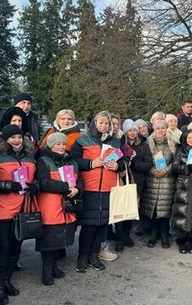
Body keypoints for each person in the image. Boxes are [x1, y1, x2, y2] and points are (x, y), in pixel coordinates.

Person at [0, 125, 36, 303]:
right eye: (12, 137)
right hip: (0, 208)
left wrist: (35, 185)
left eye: (19, 137)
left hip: (22, 207)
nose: (16, 140)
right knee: (2, 248)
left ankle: (6, 280)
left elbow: (34, 177)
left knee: (15, 247)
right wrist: (8, 186)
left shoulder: (29, 156)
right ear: (4, 139)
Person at [70, 111, 125, 272]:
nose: (104, 126)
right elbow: (73, 161)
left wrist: (118, 166)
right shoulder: (82, 140)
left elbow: (123, 161)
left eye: (107, 123)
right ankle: (83, 256)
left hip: (108, 189)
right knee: (89, 225)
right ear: (95, 123)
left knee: (102, 224)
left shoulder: (115, 142)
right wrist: (91, 163)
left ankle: (94, 255)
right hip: (90, 188)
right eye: (101, 123)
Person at [35, 132, 80, 284]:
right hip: (50, 207)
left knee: (60, 239)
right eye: (57, 144)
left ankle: (54, 267)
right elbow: (44, 183)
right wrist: (67, 187)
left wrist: (77, 189)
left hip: (66, 207)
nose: (61, 147)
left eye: (63, 144)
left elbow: (80, 180)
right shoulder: (43, 160)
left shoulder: (71, 161)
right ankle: (46, 271)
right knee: (49, 241)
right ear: (50, 145)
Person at [117, 119, 153, 252]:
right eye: (129, 131)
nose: (132, 133)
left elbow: (148, 163)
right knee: (120, 210)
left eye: (134, 130)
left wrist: (134, 164)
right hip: (121, 180)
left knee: (132, 210)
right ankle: (120, 237)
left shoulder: (143, 145)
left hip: (137, 181)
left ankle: (127, 235)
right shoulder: (120, 144)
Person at [142, 120, 177, 248]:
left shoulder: (172, 144)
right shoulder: (148, 145)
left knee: (165, 210)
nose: (160, 130)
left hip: (167, 181)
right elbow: (145, 161)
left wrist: (167, 170)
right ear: (154, 130)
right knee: (153, 210)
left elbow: (177, 162)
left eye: (163, 128)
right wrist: (151, 170)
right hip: (152, 180)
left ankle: (164, 236)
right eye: (158, 128)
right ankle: (153, 235)